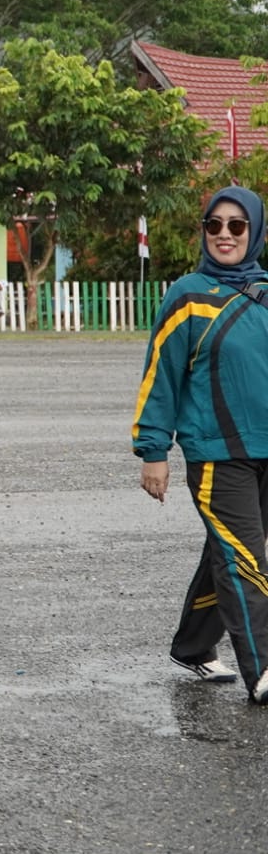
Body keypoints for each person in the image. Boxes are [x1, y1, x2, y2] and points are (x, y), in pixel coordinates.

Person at [133, 185, 268, 705]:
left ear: (254, 231)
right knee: (245, 559)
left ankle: (193, 645)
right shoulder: (187, 294)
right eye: (215, 225)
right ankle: (262, 668)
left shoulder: (264, 290)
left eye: (237, 225)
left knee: (230, 549)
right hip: (216, 452)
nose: (225, 235)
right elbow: (160, 374)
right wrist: (152, 452)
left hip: (265, 449)